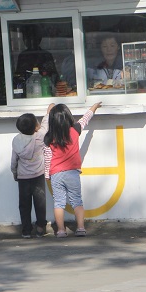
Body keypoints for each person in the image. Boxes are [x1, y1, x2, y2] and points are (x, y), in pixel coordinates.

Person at [44, 102, 102, 237]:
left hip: (56, 174)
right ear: (69, 117)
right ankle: (81, 228)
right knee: (77, 201)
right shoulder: (75, 130)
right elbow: (85, 119)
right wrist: (94, 107)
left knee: (58, 202)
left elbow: (47, 158)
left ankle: (61, 231)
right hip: (72, 173)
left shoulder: (49, 137)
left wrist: (47, 174)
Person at [11, 103, 55, 238]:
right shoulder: (39, 136)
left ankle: (26, 230)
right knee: (40, 203)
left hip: (23, 178)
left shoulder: (16, 140)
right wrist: (48, 111)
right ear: (36, 127)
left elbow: (14, 161)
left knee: (24, 204)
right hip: (38, 176)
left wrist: (15, 173)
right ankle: (41, 228)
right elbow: (46, 125)